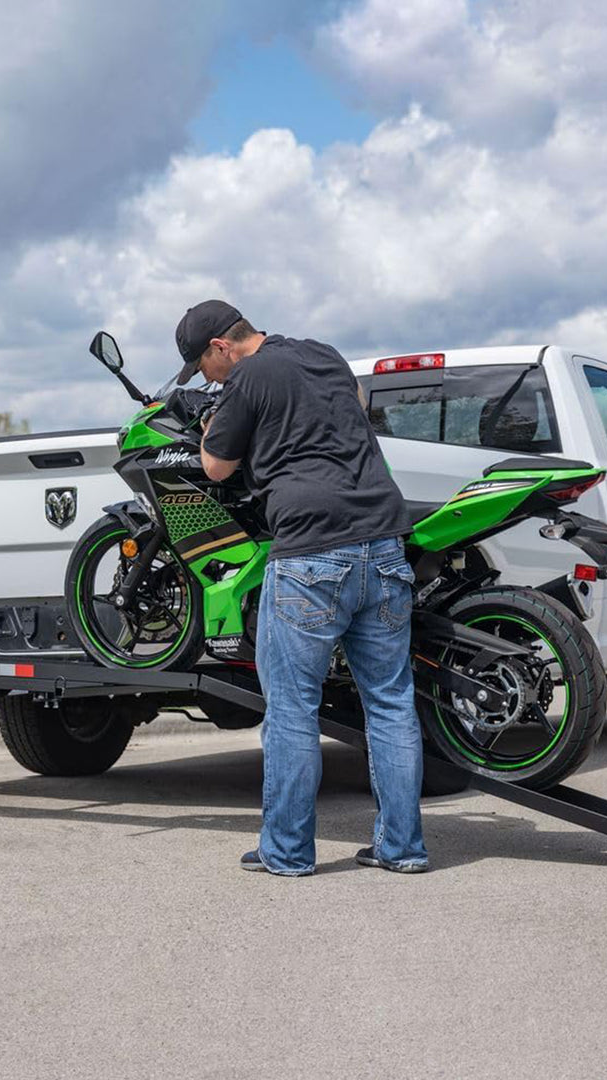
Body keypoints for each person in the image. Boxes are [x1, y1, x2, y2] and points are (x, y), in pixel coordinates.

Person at [173, 299, 429, 876]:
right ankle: (403, 848)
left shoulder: (245, 377)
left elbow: (215, 466)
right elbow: (354, 408)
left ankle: (286, 851)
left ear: (221, 348)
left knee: (291, 710)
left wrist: (215, 421)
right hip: (384, 545)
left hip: (312, 553)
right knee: (389, 704)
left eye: (203, 367)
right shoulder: (323, 354)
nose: (207, 378)